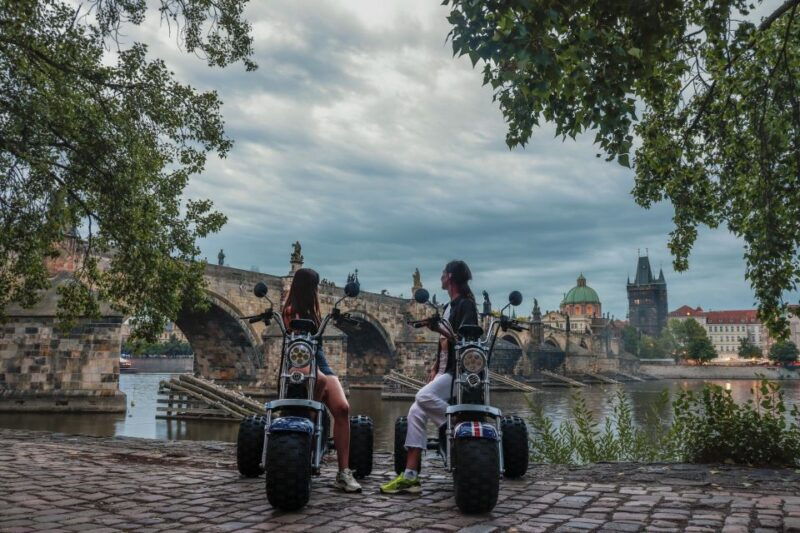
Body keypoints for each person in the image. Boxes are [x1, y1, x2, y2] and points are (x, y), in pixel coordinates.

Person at [380, 260, 478, 494]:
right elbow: (444, 344)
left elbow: (466, 342)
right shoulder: (448, 306)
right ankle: (411, 475)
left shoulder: (466, 305)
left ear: (451, 277)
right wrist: (435, 367)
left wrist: (438, 330)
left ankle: (454, 425)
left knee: (422, 396)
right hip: (444, 371)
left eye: (444, 273)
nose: (441, 276)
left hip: (459, 375)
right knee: (415, 411)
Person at [282, 267, 361, 493]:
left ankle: (343, 472)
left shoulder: (314, 310)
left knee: (342, 408)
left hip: (319, 360)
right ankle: (305, 441)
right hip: (299, 359)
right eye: (315, 286)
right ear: (308, 287)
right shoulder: (290, 310)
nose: (317, 290)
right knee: (320, 382)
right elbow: (294, 343)